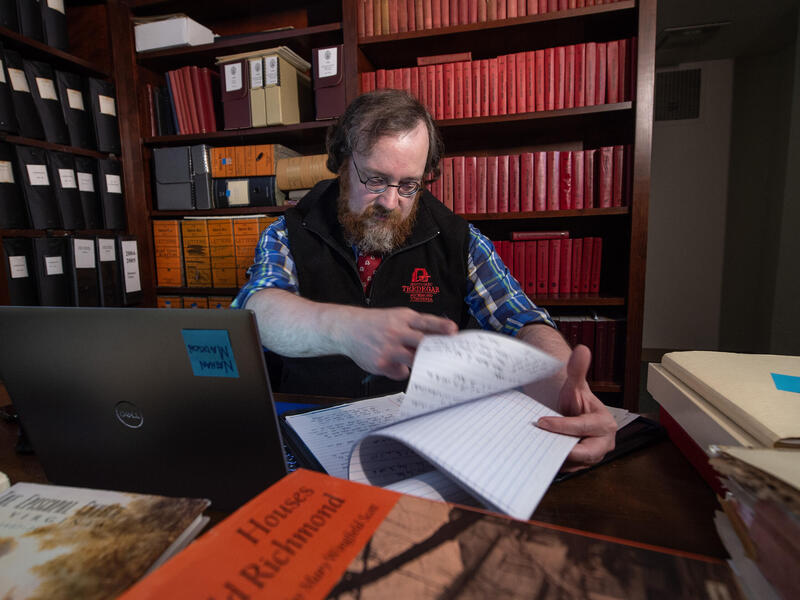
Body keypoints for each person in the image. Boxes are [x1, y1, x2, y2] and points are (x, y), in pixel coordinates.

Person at [232, 89, 616, 470]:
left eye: (408, 185)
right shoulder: (288, 232)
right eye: (375, 179)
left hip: (422, 446)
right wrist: (345, 328)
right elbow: (258, 312)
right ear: (342, 161)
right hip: (308, 434)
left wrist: (561, 379)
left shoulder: (458, 239)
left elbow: (519, 317)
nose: (390, 201)